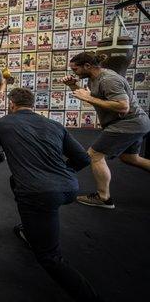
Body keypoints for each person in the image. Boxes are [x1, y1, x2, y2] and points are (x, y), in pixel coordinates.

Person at [0, 88, 104, 302]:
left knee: (49, 257)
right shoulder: (54, 124)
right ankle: (31, 230)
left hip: (39, 193)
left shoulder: (0, 124)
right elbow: (84, 159)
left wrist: (3, 157)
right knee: (15, 182)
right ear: (32, 104)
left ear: (11, 105)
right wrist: (63, 174)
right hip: (70, 186)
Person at [61, 52, 150, 208]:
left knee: (94, 155)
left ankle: (103, 198)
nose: (74, 72)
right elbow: (97, 100)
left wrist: (88, 98)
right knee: (130, 158)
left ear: (87, 66)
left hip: (127, 124)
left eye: (76, 69)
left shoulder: (109, 80)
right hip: (134, 123)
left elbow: (123, 106)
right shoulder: (93, 78)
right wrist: (73, 86)